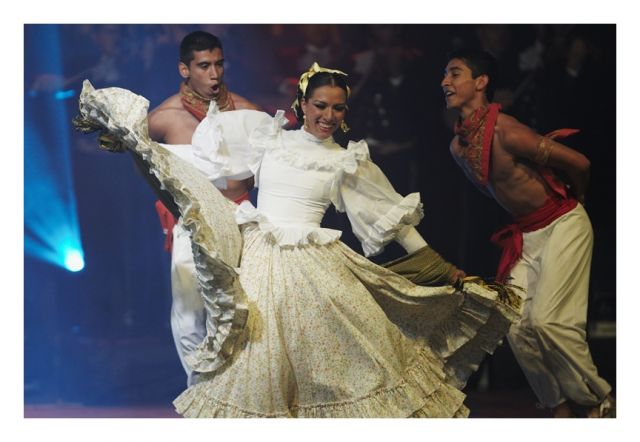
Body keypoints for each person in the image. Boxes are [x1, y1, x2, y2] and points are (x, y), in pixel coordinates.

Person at [75, 62, 520, 418]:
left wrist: (440, 268)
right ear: (302, 104)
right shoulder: (269, 139)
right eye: (321, 105)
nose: (329, 116)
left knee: (330, 372)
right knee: (260, 369)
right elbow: (212, 171)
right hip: (259, 263)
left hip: (316, 272)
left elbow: (393, 221)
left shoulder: (347, 161)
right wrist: (145, 151)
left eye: (339, 108)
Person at [441, 49, 614, 417]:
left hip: (563, 223)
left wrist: (576, 199)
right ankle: (559, 405)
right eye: (445, 76)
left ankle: (599, 397)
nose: (446, 82)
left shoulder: (507, 131)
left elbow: (579, 163)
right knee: (516, 325)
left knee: (548, 321)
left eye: (455, 74)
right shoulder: (458, 147)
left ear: (481, 82)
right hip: (528, 233)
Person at [141, 30, 260, 387]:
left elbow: (265, 171)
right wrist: (169, 205)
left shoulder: (247, 112)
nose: (214, 74)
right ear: (184, 69)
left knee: (246, 311)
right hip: (190, 228)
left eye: (219, 64)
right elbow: (141, 163)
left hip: (240, 222)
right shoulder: (163, 119)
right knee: (189, 313)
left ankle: (240, 391)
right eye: (204, 66)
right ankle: (200, 392)